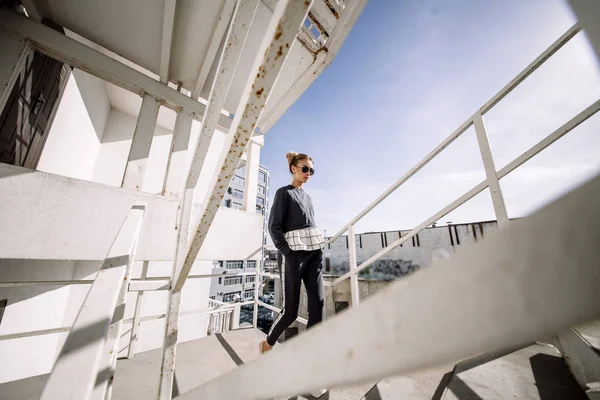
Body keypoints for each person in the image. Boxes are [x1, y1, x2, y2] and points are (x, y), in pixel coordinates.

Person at [259, 151, 325, 354]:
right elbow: (274, 226)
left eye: (311, 170)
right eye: (305, 168)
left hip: (314, 254)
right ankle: (267, 344)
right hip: (292, 255)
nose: (308, 173)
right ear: (293, 169)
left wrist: (318, 251)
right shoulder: (284, 193)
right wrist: (287, 252)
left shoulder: (308, 197)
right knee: (290, 312)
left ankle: (311, 355)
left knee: (317, 308)